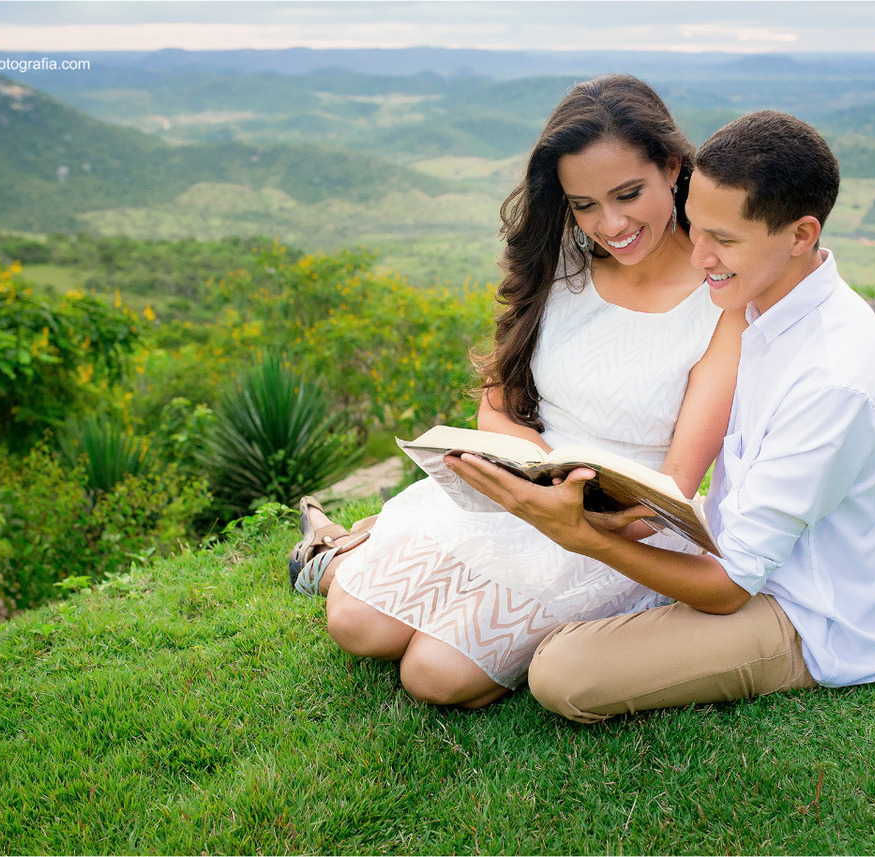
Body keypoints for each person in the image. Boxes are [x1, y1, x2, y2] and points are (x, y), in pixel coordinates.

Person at [287, 74, 748, 709]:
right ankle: (339, 551)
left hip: (616, 525)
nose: (610, 224)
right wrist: (528, 468)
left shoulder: (721, 304)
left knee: (434, 677)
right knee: (355, 625)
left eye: (628, 194)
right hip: (522, 482)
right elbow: (497, 403)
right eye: (584, 205)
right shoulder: (562, 266)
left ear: (672, 168)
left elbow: (673, 488)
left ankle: (353, 549)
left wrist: (576, 513)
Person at [448, 109, 875, 723]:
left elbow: (730, 588)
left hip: (803, 614)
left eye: (723, 240)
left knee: (564, 675)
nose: (698, 257)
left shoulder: (835, 377)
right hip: (725, 559)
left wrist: (582, 536)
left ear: (802, 235)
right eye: (694, 228)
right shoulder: (758, 308)